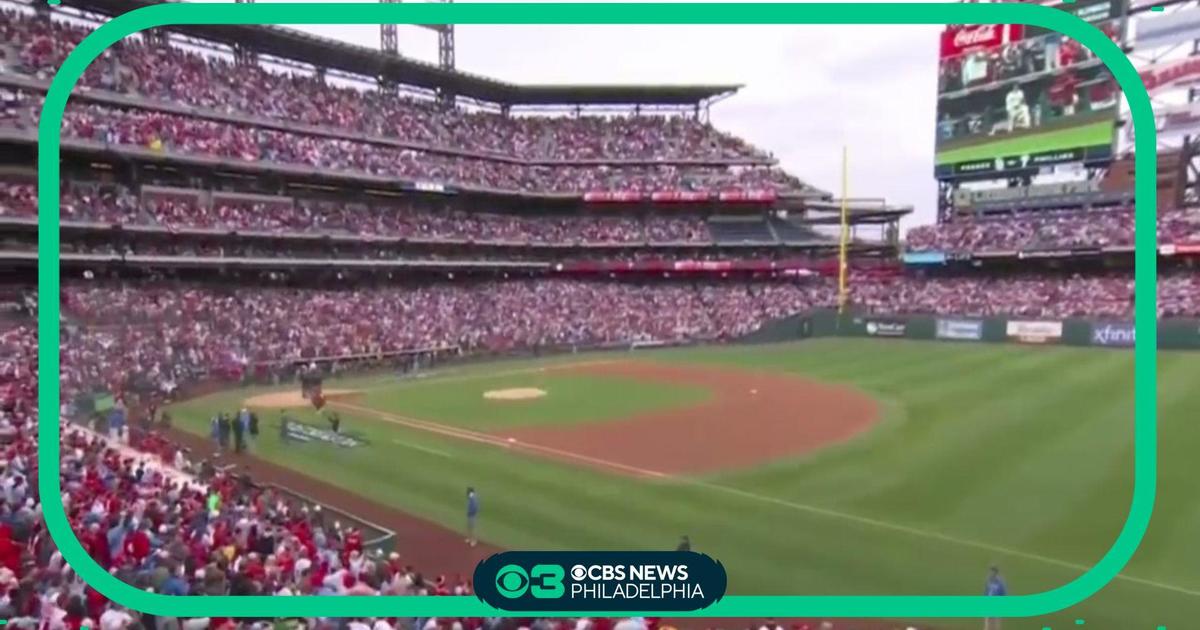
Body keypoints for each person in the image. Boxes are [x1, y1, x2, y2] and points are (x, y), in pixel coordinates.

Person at [984, 566, 1007, 630]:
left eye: (992, 571)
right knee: (987, 621)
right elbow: (986, 591)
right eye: (990, 571)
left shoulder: (1000, 582)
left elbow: (1003, 593)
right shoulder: (988, 580)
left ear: (996, 572)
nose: (991, 573)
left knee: (996, 622)